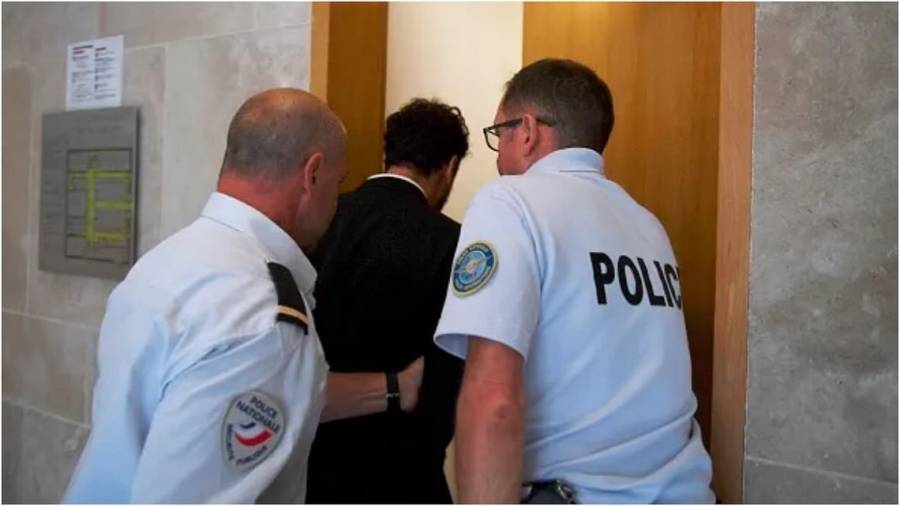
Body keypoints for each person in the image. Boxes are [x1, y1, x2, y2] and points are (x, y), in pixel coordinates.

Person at [433, 59, 715, 503]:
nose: (498, 155)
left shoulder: (510, 202)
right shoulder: (646, 224)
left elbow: (493, 401)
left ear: (527, 131)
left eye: (499, 134)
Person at [64, 88, 349, 503]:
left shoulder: (168, 261)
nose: (337, 203)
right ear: (313, 174)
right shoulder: (263, 321)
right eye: (340, 183)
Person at [306, 98, 470, 503]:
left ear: (389, 152)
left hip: (314, 474)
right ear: (450, 166)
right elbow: (452, 377)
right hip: (408, 476)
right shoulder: (456, 244)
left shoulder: (321, 221)